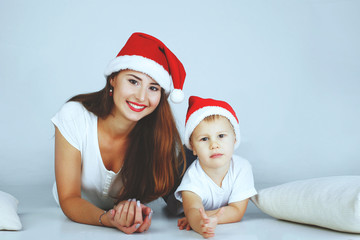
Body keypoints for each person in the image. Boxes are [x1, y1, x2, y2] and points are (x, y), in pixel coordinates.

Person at [51, 32, 187, 234]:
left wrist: (132, 211)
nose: (141, 97)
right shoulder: (74, 116)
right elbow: (70, 199)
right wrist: (108, 219)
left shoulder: (160, 136)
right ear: (113, 79)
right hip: (79, 207)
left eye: (153, 88)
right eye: (133, 81)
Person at [174, 96, 257, 238]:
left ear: (235, 139)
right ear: (193, 148)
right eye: (204, 139)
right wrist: (200, 224)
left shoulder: (242, 168)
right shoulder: (193, 177)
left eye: (221, 136)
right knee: (172, 180)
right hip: (175, 179)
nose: (214, 145)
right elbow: (192, 210)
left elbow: (237, 210)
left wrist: (208, 218)